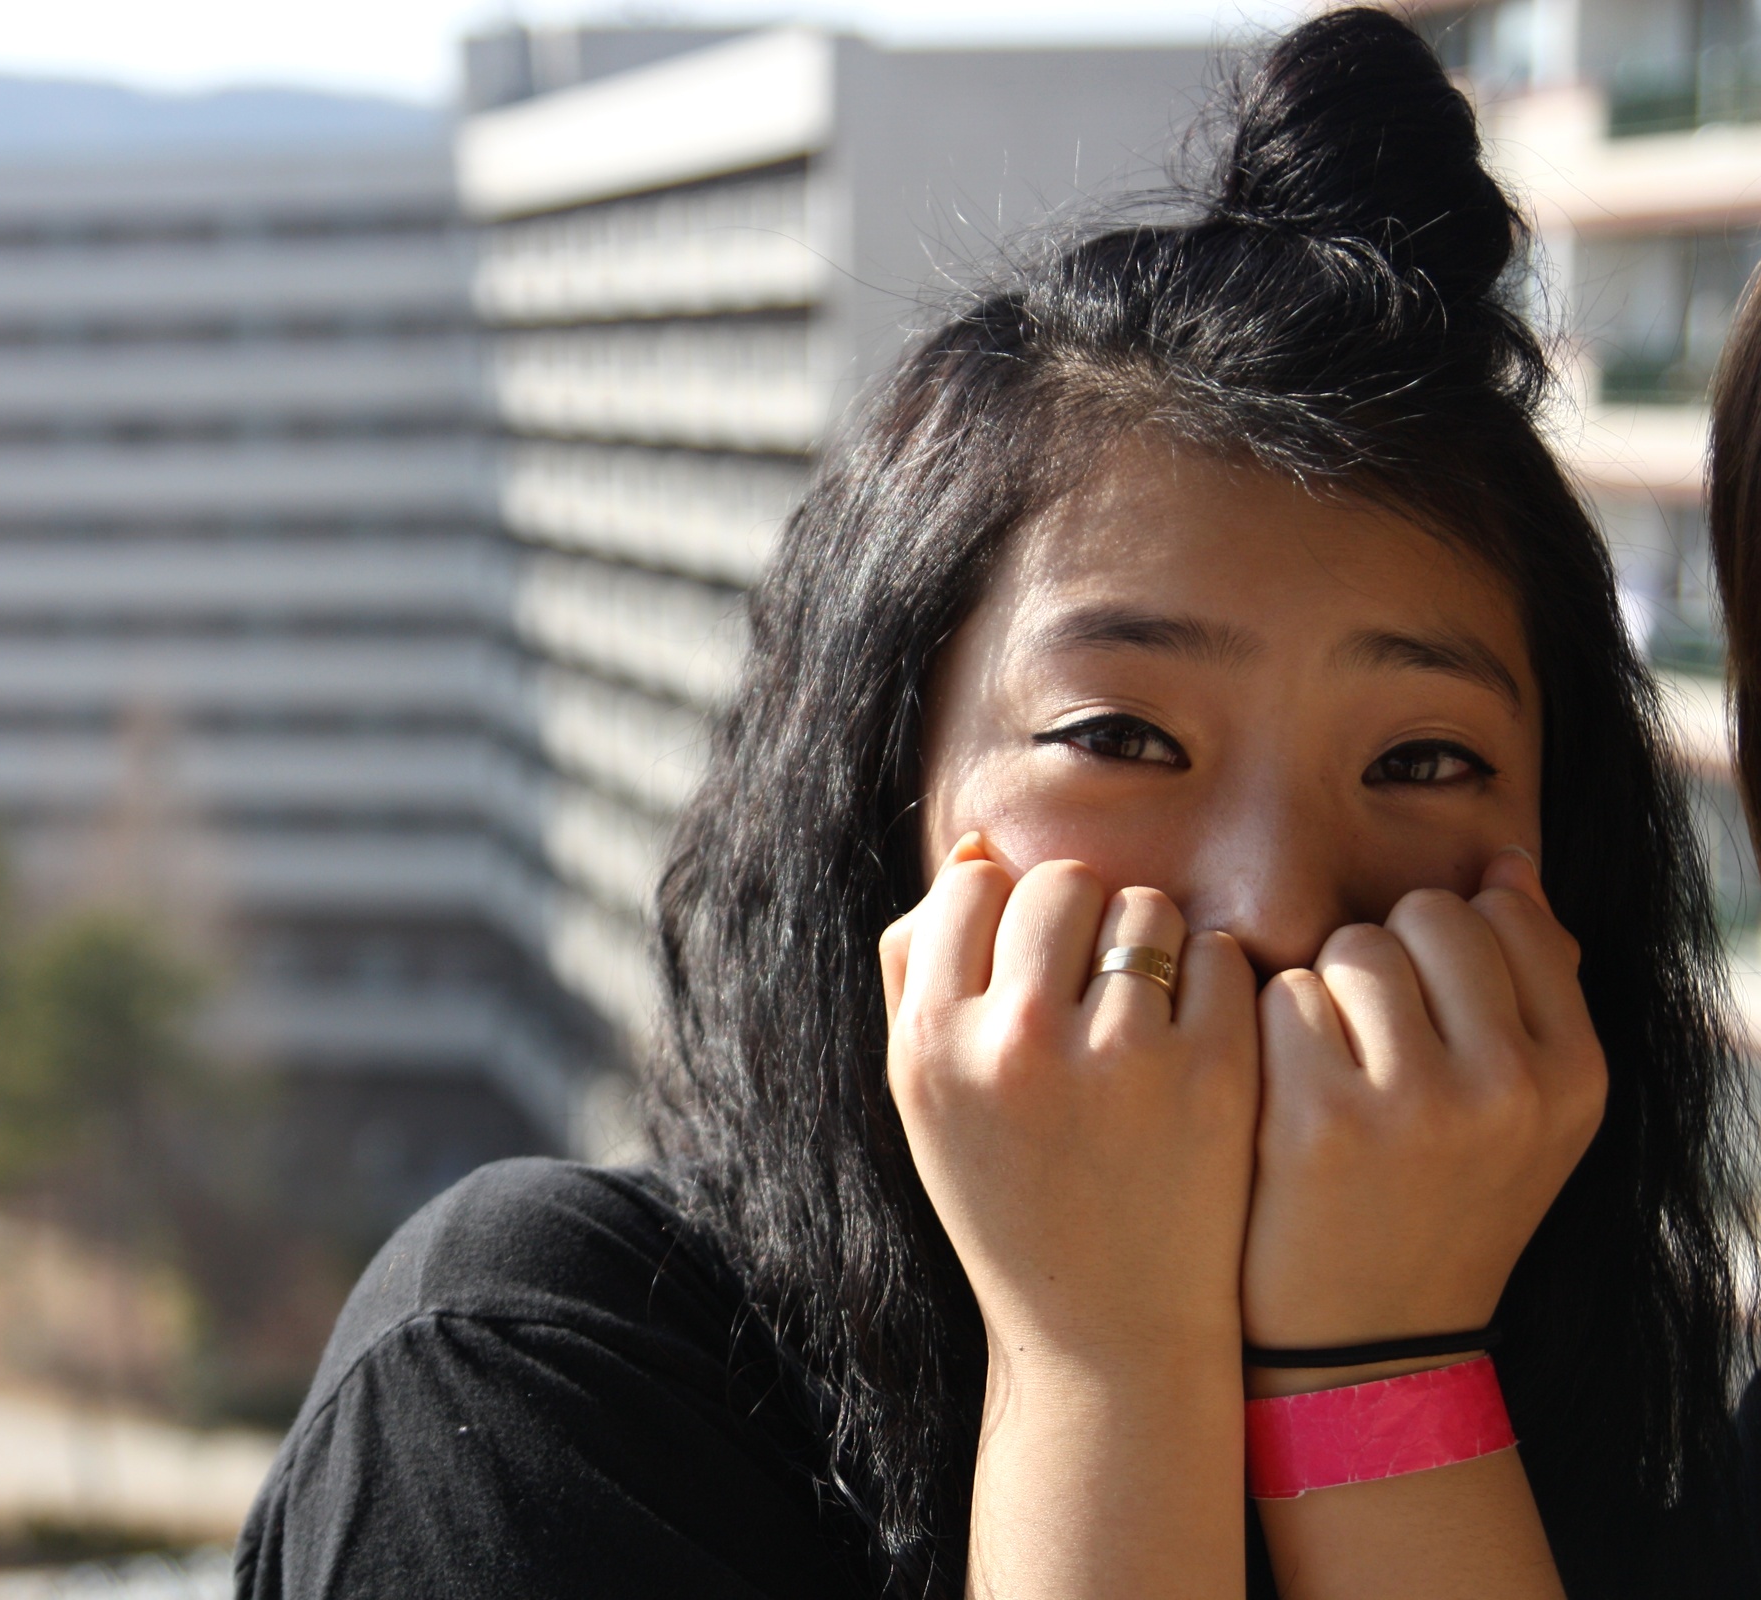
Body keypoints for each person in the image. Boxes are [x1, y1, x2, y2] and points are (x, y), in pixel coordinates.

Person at [237, 10, 1761, 1596]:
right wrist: (1103, 1361)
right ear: (886, 788)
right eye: (1123, 737)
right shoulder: (530, 1375)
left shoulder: (1641, 1427)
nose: (1273, 903)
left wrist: (1380, 1378)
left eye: (1423, 762)